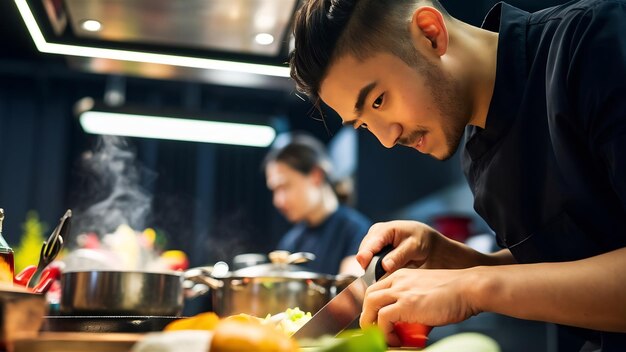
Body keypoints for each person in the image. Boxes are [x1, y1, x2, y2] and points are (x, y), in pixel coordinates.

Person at [288, 0, 626, 350]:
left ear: (430, 34)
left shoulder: (592, 43)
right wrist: (462, 262)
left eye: (378, 101)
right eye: (363, 124)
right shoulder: (475, 157)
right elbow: (575, 260)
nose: (387, 139)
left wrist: (474, 286)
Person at [263, 132, 372, 276]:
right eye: (274, 191)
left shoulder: (357, 232)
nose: (277, 201)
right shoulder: (291, 242)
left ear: (316, 175)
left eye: (285, 187)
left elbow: (350, 292)